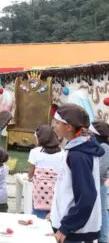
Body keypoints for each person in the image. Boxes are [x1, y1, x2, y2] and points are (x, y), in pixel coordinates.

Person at [51, 103, 105, 243]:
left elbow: (87, 196)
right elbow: (66, 189)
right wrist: (56, 214)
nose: (54, 126)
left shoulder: (78, 156)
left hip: (75, 232)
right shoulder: (77, 149)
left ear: (68, 127)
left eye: (57, 123)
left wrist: (66, 226)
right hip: (70, 226)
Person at [27, 124, 63, 219]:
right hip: (56, 192)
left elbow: (31, 172)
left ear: (41, 138)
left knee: (38, 218)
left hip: (40, 193)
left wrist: (30, 177)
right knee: (54, 218)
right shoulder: (62, 153)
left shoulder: (35, 152)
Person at [89, 120, 109, 243]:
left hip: (100, 183)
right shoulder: (97, 146)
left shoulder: (105, 148)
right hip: (95, 182)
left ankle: (103, 238)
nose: (89, 135)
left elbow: (100, 170)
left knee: (101, 209)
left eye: (91, 133)